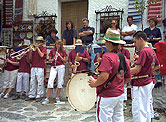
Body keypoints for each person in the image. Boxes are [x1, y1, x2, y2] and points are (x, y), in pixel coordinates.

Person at [88, 29, 131, 122]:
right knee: (118, 118)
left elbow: (104, 76)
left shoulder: (107, 57)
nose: (105, 44)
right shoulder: (123, 57)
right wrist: (117, 85)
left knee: (104, 119)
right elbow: (128, 77)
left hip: (107, 95)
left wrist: (95, 83)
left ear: (110, 43)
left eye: (106, 42)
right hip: (119, 95)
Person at [131, 31, 159, 122]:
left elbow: (136, 69)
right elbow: (157, 66)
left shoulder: (143, 52)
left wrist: (122, 72)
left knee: (139, 110)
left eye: (135, 41)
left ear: (141, 39)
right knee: (146, 109)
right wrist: (148, 70)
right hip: (148, 80)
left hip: (141, 83)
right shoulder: (151, 50)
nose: (134, 44)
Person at [42, 40, 67, 105]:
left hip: (61, 66)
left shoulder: (63, 51)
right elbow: (49, 60)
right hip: (54, 66)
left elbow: (64, 60)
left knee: (60, 81)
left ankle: (57, 97)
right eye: (57, 44)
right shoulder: (52, 51)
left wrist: (60, 56)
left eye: (59, 44)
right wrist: (53, 58)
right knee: (50, 80)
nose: (58, 46)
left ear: (61, 45)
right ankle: (47, 98)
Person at [25, 36, 47, 102]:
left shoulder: (43, 48)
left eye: (39, 41)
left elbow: (42, 55)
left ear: (42, 42)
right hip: (33, 66)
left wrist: (37, 48)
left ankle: (39, 95)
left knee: (40, 81)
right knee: (32, 81)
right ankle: (32, 95)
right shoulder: (33, 48)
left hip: (40, 67)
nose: (37, 42)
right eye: (37, 41)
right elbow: (29, 58)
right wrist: (30, 52)